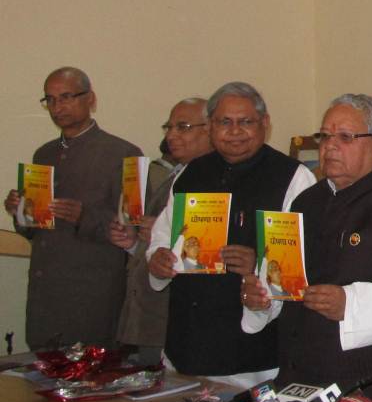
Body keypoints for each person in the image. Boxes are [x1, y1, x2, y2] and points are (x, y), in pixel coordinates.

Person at [241, 94, 372, 402]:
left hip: (368, 389)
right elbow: (279, 282)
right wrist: (260, 300)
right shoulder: (304, 201)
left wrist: (349, 303)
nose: (330, 146)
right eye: (325, 136)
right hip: (296, 379)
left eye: (345, 137)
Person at [148, 82, 314, 386]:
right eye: (225, 122)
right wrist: (157, 259)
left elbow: (305, 263)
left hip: (251, 354)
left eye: (246, 122)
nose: (235, 131)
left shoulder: (294, 177)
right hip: (185, 341)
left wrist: (259, 262)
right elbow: (162, 235)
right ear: (211, 126)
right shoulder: (190, 173)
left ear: (265, 124)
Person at [5, 67, 141, 349]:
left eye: (66, 97)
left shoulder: (124, 153)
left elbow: (135, 229)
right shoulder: (44, 154)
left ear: (90, 99)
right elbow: (36, 230)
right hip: (45, 294)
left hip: (92, 298)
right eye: (50, 100)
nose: (58, 107)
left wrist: (84, 217)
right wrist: (21, 211)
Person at [109, 99, 211, 364]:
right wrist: (132, 242)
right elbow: (153, 246)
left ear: (210, 128)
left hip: (173, 319)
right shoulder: (176, 175)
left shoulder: (210, 183)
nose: (170, 135)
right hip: (147, 315)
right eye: (169, 127)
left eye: (183, 127)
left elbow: (207, 249)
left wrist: (168, 234)